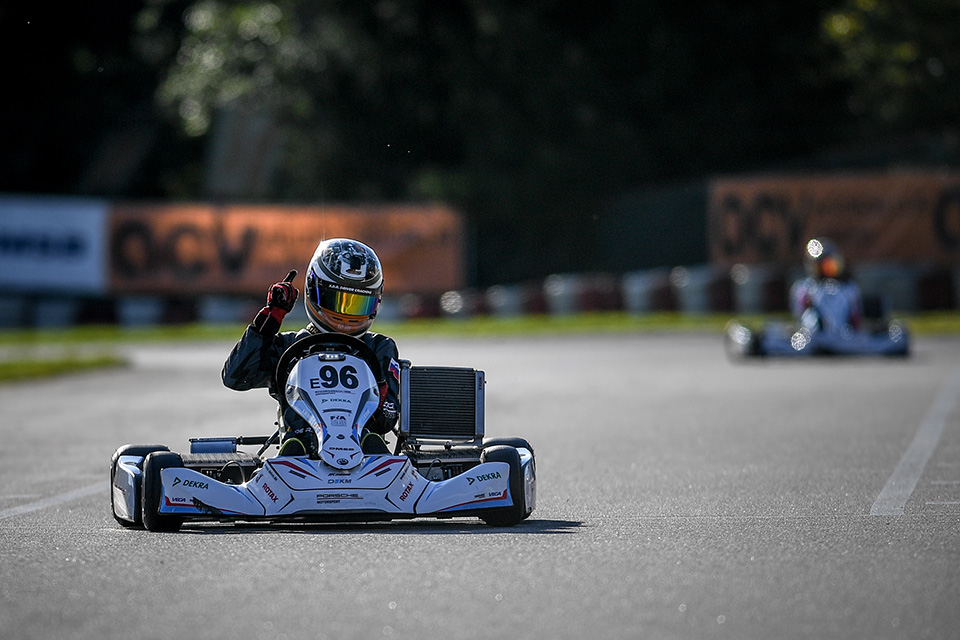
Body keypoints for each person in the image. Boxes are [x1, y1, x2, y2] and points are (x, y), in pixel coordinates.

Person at [222, 238, 400, 457]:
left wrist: (380, 396)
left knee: (372, 439)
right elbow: (236, 378)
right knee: (297, 442)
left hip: (364, 452)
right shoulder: (289, 346)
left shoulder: (380, 347)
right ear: (314, 291)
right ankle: (295, 447)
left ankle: (369, 448)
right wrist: (268, 321)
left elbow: (387, 420)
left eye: (357, 304)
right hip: (301, 452)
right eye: (338, 301)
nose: (345, 314)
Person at [789, 237, 863, 333]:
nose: (828, 269)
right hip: (815, 336)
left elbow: (856, 314)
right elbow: (800, 314)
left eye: (831, 265)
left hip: (846, 335)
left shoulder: (848, 288)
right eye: (825, 266)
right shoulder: (805, 289)